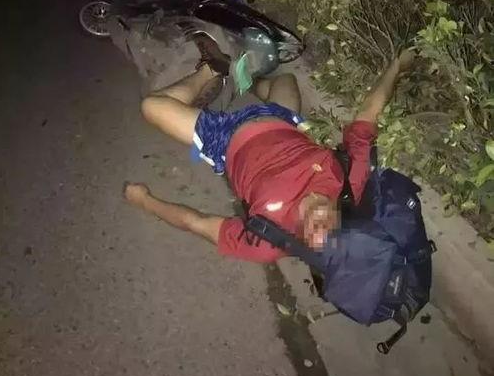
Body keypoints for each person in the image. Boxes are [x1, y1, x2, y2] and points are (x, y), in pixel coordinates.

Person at [124, 46, 414, 263]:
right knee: (286, 78)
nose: (321, 234)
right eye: (334, 236)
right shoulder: (350, 182)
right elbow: (368, 115)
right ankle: (244, 82)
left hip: (224, 139)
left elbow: (197, 223)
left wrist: (145, 201)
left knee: (152, 106)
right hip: (282, 118)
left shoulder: (269, 240)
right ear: (348, 225)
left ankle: (211, 70)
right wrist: (396, 67)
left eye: (318, 247)